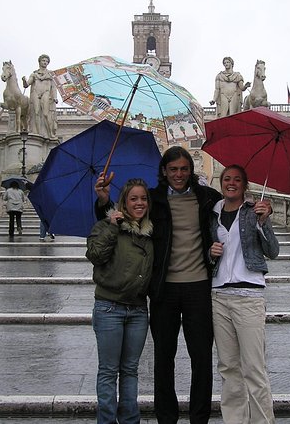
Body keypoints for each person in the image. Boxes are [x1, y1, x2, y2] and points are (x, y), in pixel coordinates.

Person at [95, 146, 223, 424]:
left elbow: (232, 215)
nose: (179, 174)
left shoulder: (208, 198)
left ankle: (199, 417)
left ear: (191, 171)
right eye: (173, 169)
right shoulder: (153, 199)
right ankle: (167, 417)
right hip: (164, 289)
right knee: (163, 358)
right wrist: (103, 201)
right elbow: (124, 218)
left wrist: (261, 209)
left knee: (201, 357)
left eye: (184, 169)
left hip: (199, 288)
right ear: (164, 171)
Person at [209, 165, 279, 424]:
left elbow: (273, 251)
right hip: (219, 297)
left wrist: (264, 222)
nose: (231, 183)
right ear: (220, 182)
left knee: (253, 369)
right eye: (227, 178)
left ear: (245, 185)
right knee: (228, 368)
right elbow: (209, 252)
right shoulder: (213, 213)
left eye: (237, 179)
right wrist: (210, 253)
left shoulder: (254, 211)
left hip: (249, 296)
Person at [86, 178, 154, 424]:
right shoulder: (107, 224)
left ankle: (130, 421)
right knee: (108, 371)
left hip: (137, 310)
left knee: (130, 371)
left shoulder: (150, 232)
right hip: (109, 308)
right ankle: (106, 421)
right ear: (124, 201)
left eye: (143, 198)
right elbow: (95, 255)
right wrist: (112, 226)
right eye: (133, 198)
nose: (139, 203)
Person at [22, 54, 57, 138]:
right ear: (39, 62)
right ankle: (37, 133)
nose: (45, 62)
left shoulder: (51, 74)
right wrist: (24, 80)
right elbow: (27, 85)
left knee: (45, 113)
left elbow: (54, 87)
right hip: (35, 93)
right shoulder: (34, 74)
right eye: (43, 61)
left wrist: (55, 97)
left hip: (46, 93)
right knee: (36, 113)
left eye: (46, 61)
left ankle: (50, 133)